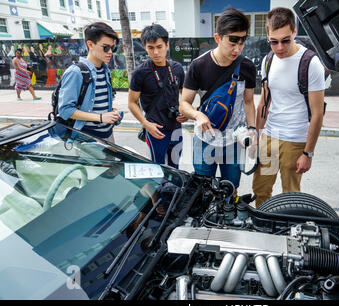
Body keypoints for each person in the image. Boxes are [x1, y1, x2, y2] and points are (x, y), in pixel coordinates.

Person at [252, 7, 326, 207]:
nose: (279, 47)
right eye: (273, 41)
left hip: (295, 141)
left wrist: (308, 153)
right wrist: (256, 136)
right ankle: (262, 227)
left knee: (290, 196)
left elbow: (318, 113)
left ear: (295, 32)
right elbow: (264, 103)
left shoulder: (310, 63)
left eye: (285, 40)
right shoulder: (268, 61)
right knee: (261, 190)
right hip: (269, 137)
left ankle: (288, 233)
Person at [179, 8, 257, 191]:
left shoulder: (247, 66)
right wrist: (197, 115)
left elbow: (248, 102)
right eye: (232, 41)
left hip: (234, 141)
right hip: (205, 139)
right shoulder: (198, 65)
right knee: (203, 189)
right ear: (217, 38)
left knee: (230, 188)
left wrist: (252, 129)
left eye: (242, 41)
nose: (237, 49)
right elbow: (184, 104)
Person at [128, 24, 187, 169]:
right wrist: (145, 123)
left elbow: (184, 98)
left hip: (176, 128)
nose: (155, 52)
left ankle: (174, 191)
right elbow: (132, 102)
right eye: (150, 48)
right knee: (157, 170)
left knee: (175, 167)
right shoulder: (140, 73)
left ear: (167, 45)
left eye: (159, 47)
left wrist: (186, 113)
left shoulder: (177, 69)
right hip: (155, 129)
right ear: (145, 47)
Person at [57, 22, 121, 142]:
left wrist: (112, 112)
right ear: (90, 44)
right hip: (87, 138)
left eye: (113, 48)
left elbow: (95, 104)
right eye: (106, 47)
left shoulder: (105, 69)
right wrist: (101, 117)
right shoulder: (76, 72)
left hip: (107, 134)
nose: (110, 52)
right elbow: (65, 110)